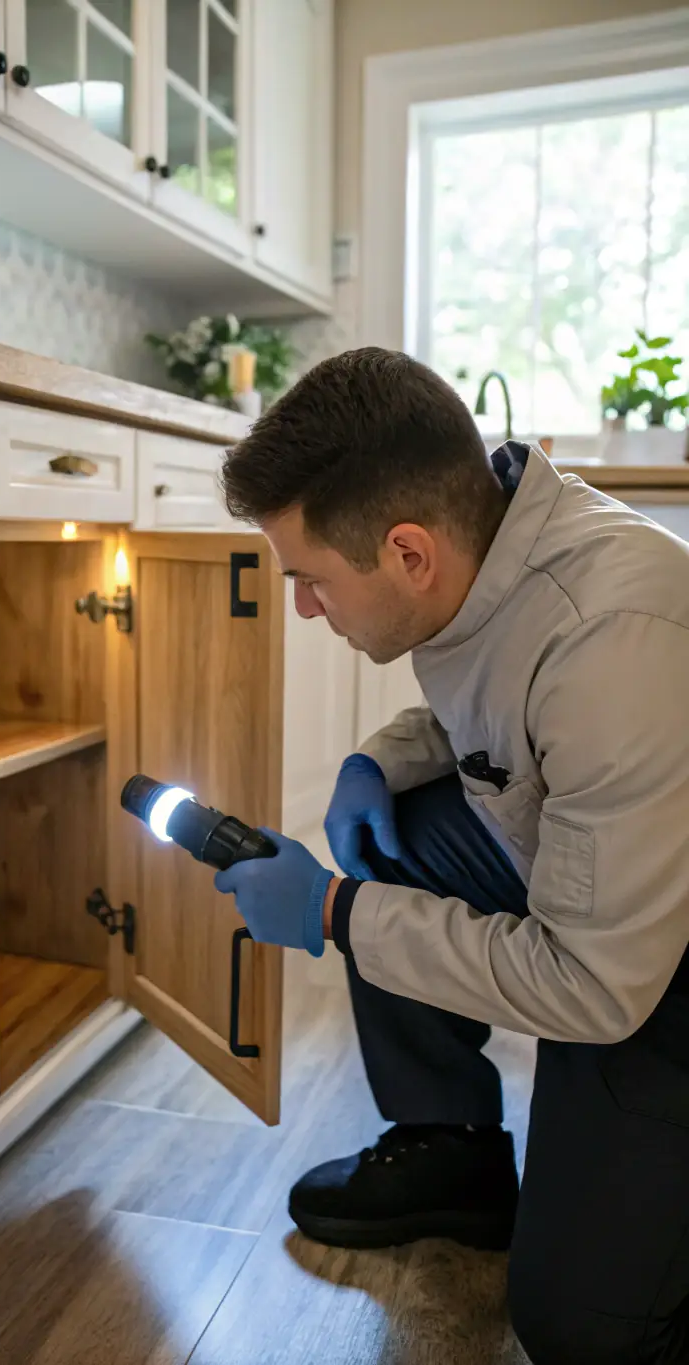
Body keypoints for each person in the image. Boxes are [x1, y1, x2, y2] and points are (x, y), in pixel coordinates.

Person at [213, 347, 689, 1365]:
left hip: (659, 963)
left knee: (581, 1325)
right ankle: (454, 1153)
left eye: (310, 580)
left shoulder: (612, 632)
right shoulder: (488, 547)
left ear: (406, 553)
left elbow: (598, 989)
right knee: (407, 824)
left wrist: (336, 915)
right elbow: (504, 711)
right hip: (600, 887)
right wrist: (375, 762)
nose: (302, 606)